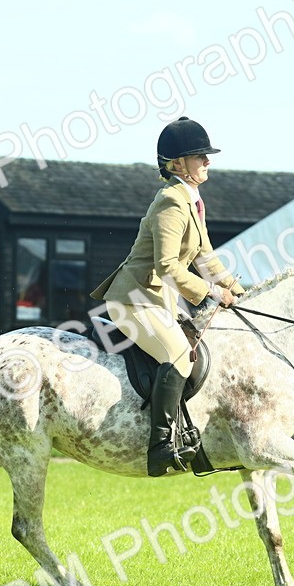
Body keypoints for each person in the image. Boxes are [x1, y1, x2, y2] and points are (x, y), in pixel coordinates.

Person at [91, 116, 245, 476]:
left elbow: (206, 257)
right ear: (177, 164)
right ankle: (161, 446)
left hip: (158, 301)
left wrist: (239, 292)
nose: (208, 161)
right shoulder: (171, 202)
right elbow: (166, 267)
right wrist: (210, 292)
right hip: (133, 299)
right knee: (178, 355)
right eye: (200, 156)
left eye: (207, 156)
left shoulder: (191, 199)